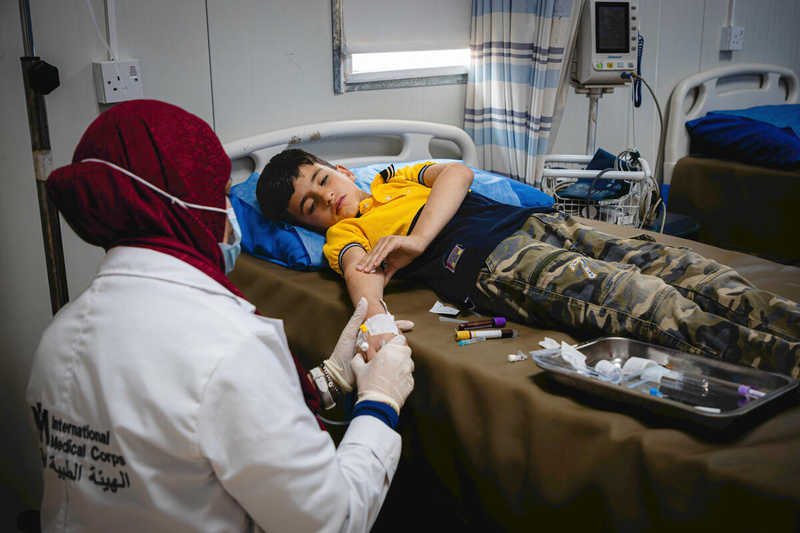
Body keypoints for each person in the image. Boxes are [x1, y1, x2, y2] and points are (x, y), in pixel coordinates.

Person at [26, 100, 415, 532]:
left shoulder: (59, 337)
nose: (229, 212)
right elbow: (331, 519)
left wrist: (327, 379)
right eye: (219, 192)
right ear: (188, 206)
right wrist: (378, 405)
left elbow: (180, 438)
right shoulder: (230, 345)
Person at [256, 149, 800, 377]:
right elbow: (359, 274)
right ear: (306, 225)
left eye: (323, 181)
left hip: (540, 223)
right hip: (500, 262)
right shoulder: (346, 234)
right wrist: (374, 323)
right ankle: (782, 359)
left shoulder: (393, 177)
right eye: (310, 206)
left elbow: (458, 175)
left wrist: (417, 239)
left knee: (678, 262)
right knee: (640, 299)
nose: (326, 199)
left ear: (341, 169)